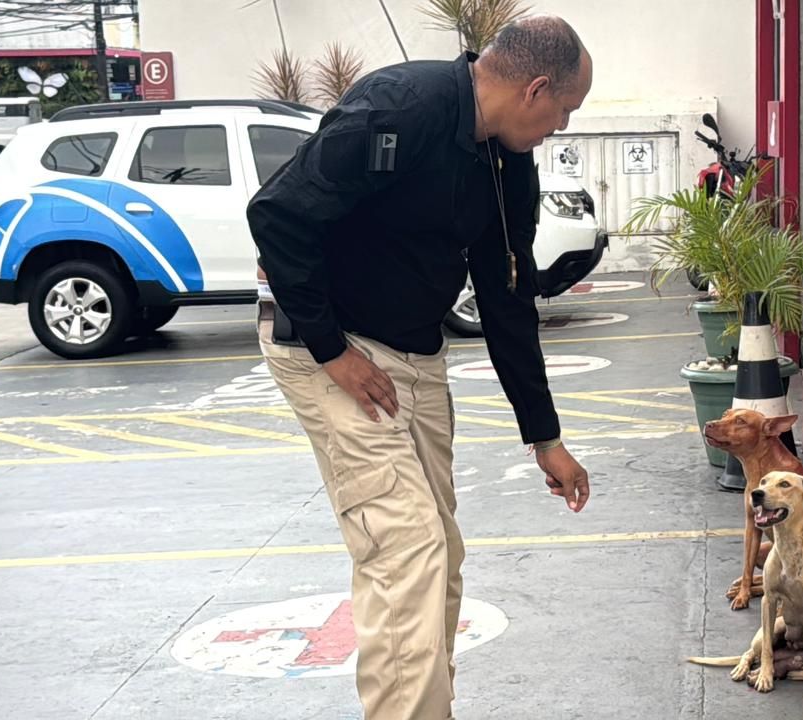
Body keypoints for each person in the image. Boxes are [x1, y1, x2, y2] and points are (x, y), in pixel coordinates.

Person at [246, 15, 594, 720]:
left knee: (441, 552)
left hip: (414, 353)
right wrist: (331, 350)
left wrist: (545, 437)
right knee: (405, 548)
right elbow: (278, 215)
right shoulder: (399, 108)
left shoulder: (505, 162)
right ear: (535, 90)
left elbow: (506, 295)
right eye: (565, 111)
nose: (560, 128)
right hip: (329, 347)